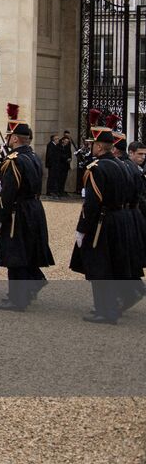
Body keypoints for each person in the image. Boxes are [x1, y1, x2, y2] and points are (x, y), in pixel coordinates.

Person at [71, 113, 144, 324]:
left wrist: (82, 228)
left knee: (100, 266)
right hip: (120, 219)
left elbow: (92, 204)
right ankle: (107, 308)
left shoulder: (97, 168)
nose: (91, 148)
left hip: (103, 222)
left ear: (100, 147)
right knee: (111, 265)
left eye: (93, 144)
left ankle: (106, 310)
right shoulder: (122, 165)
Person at [0, 104, 53, 311]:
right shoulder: (32, 156)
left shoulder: (14, 160)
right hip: (33, 207)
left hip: (18, 212)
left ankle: (17, 298)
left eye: (9, 136)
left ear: (15, 138)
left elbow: (9, 193)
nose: (7, 140)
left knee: (15, 254)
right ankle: (28, 287)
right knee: (26, 252)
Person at [44, 130, 71, 199]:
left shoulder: (56, 145)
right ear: (54, 139)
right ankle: (50, 191)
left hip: (56, 165)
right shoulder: (51, 145)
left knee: (54, 178)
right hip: (52, 165)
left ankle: (54, 191)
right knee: (51, 178)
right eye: (57, 139)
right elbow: (51, 156)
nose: (58, 140)